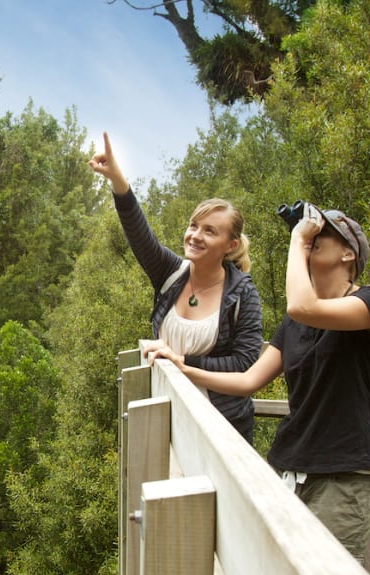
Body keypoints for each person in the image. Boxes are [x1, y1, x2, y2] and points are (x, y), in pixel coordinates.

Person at [145, 198, 370, 566]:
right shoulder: (296, 324)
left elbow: (301, 305)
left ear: (349, 255)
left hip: (343, 477)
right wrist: (183, 366)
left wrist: (298, 238)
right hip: (289, 471)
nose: (312, 237)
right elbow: (249, 380)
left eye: (322, 234)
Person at [88, 132, 263, 443]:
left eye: (210, 231)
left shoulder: (242, 295)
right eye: (193, 225)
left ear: (230, 244)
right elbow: (138, 232)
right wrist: (116, 178)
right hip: (164, 416)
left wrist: (183, 361)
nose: (195, 236)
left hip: (220, 428)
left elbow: (244, 363)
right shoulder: (171, 274)